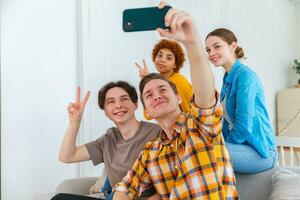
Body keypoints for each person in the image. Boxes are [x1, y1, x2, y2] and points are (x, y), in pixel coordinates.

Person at [113, 3, 238, 199]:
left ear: (179, 97)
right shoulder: (151, 151)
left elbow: (204, 96)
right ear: (146, 109)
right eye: (148, 95)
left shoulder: (198, 126)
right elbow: (126, 186)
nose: (156, 96)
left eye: (162, 89)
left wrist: (192, 42)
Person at [51, 82, 161, 200]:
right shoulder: (108, 140)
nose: (118, 105)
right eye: (111, 102)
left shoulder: (156, 133)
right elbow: (67, 156)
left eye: (124, 99)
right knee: (60, 198)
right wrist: (75, 122)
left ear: (135, 104)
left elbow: (168, 185)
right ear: (105, 112)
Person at [205, 28, 277, 173]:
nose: (211, 53)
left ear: (233, 46)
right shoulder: (227, 79)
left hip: (261, 152)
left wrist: (224, 146)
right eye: (208, 50)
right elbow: (226, 122)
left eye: (217, 46)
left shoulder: (245, 76)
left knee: (205, 152)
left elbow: (244, 125)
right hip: (242, 148)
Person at [135, 39, 193, 120]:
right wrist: (147, 81)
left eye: (168, 58)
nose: (162, 60)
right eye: (160, 55)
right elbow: (148, 115)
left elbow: (191, 112)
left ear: (175, 64)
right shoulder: (159, 82)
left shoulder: (179, 81)